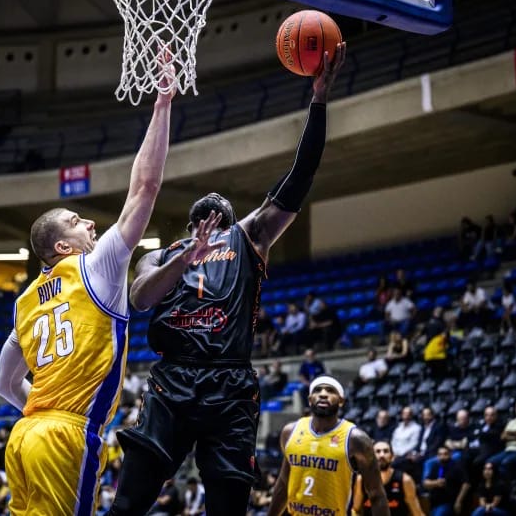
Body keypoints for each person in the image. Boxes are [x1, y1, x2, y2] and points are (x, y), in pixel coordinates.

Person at [107, 43, 347, 516]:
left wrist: (319, 100)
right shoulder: (161, 254)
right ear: (189, 225)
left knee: (228, 506)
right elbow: (139, 299)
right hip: (173, 380)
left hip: (230, 382)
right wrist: (185, 258)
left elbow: (300, 176)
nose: (214, 199)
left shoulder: (249, 235)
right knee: (128, 504)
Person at [0, 58, 177, 516]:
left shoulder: (24, 302)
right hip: (66, 435)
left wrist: (40, 413)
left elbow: (4, 383)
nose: (91, 223)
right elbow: (145, 188)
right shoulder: (96, 266)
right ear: (62, 245)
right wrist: (162, 104)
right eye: (77, 221)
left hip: (24, 437)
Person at [267, 376, 389, 516]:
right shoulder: (290, 432)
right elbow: (284, 482)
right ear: (310, 399)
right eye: (317, 390)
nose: (323, 394)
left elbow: (376, 494)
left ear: (341, 401)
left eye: (330, 390)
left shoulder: (356, 439)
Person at [353, 441, 425, 516]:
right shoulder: (362, 479)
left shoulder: (405, 480)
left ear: (392, 457)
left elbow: (417, 512)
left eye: (386, 451)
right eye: (378, 451)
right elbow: (355, 509)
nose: (382, 455)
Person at [486, 398, 516, 481]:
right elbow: (503, 437)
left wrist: (510, 433)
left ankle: (506, 486)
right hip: (508, 450)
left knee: (506, 462)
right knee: (489, 462)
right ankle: (491, 486)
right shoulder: (511, 422)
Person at [422, 446, 471, 516]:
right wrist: (436, 483)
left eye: (445, 454)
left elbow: (466, 484)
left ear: (450, 454)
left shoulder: (456, 467)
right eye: (440, 454)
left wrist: (458, 501)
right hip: (434, 502)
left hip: (448, 502)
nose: (442, 457)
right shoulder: (435, 466)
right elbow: (425, 483)